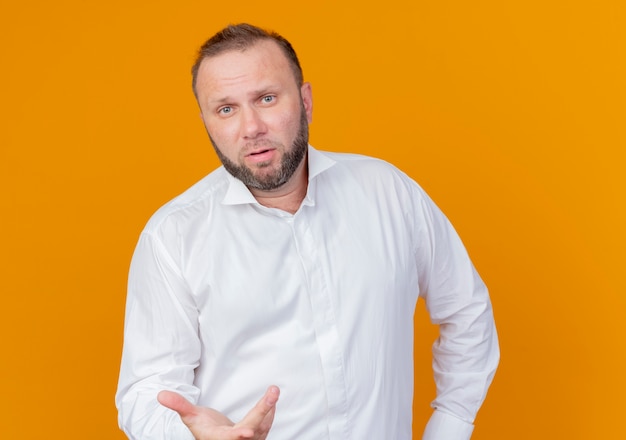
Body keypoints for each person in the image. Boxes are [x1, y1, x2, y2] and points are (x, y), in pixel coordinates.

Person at [115, 23, 499, 440]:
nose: (251, 127)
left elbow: (467, 309)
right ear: (207, 122)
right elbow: (145, 393)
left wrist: (450, 425)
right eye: (226, 109)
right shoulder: (173, 236)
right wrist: (191, 437)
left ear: (305, 101)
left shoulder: (389, 193)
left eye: (266, 98)